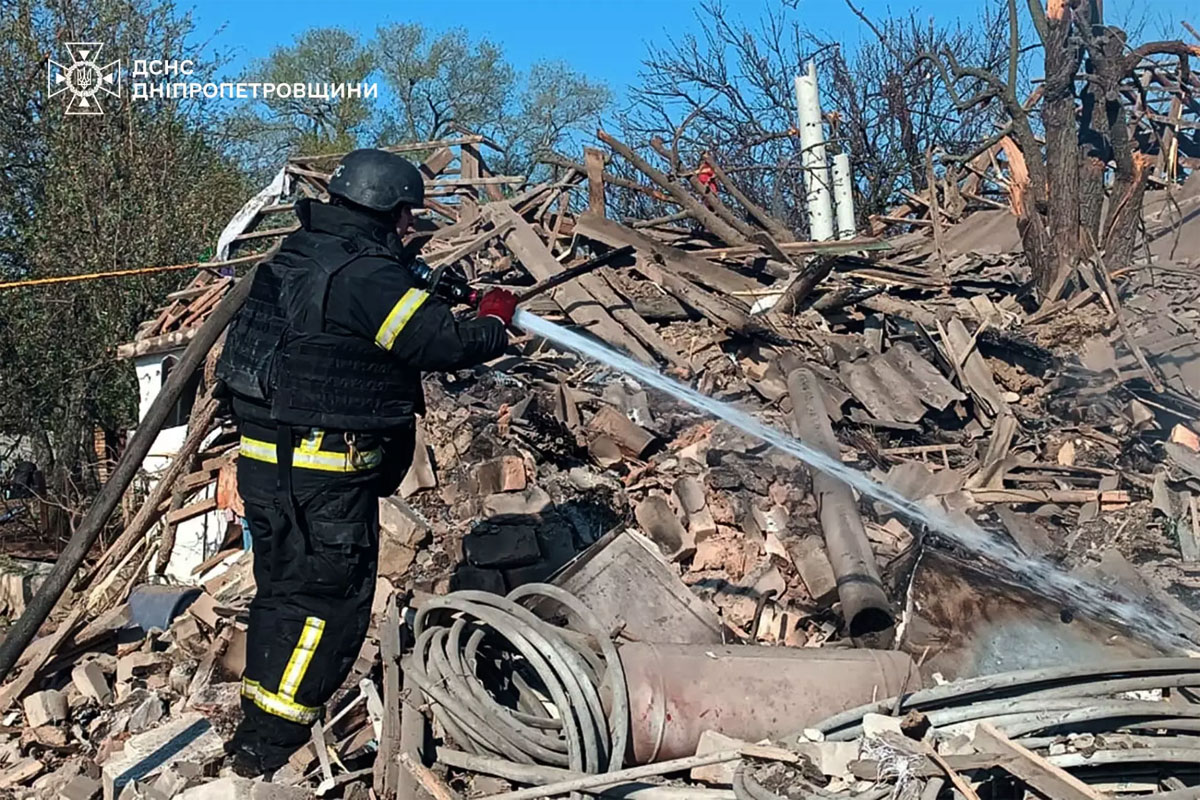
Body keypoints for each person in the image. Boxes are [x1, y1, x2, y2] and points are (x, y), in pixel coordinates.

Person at [214, 148, 517, 776]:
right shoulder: (366, 276)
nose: (410, 226)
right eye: (408, 215)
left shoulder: (300, 253)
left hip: (268, 466)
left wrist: (430, 282)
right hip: (323, 476)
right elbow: (438, 341)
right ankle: (271, 747)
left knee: (282, 596)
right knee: (326, 607)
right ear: (390, 209)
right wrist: (492, 321)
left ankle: (256, 727)